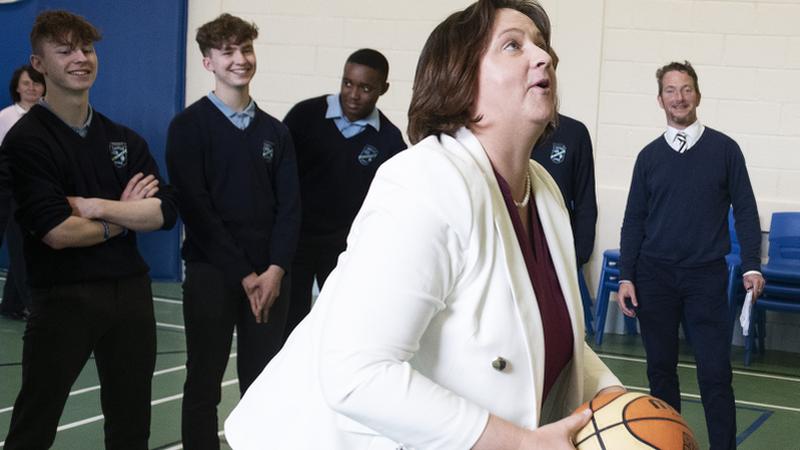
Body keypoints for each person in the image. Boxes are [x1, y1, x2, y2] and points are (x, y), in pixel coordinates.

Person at [224, 1, 622, 449]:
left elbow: (544, 329)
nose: (544, 56)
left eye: (543, 45)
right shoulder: (425, 180)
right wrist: (520, 443)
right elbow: (358, 375)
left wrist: (611, 398)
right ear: (461, 80)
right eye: (514, 45)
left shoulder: (542, 189)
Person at [1, 10, 178, 449]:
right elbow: (56, 231)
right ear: (38, 64)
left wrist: (97, 208)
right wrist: (124, 215)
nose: (81, 58)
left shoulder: (124, 139)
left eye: (87, 48)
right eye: (64, 51)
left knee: (131, 422)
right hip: (62, 297)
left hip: (130, 295)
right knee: (35, 422)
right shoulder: (26, 142)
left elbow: (164, 212)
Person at [165, 13, 300, 450]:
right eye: (228, 52)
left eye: (246, 50)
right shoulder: (188, 127)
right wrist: (244, 274)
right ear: (208, 62)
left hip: (270, 280)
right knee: (203, 378)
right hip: (212, 274)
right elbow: (197, 210)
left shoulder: (275, 133)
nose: (240, 60)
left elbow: (290, 208)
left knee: (262, 383)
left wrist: (275, 270)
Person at [618, 60, 763, 450]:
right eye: (670, 90)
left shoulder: (725, 150)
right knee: (660, 372)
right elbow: (634, 219)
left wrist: (751, 264)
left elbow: (746, 210)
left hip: (706, 278)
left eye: (685, 89)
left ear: (697, 94)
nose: (678, 98)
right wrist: (627, 275)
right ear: (660, 99)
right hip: (654, 278)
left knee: (715, 374)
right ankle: (670, 443)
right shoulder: (648, 157)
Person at [282, 48, 405, 339]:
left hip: (344, 249)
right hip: (296, 242)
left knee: (340, 327)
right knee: (288, 326)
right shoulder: (304, 116)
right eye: (347, 83)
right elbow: (278, 179)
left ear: (383, 89)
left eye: (365, 87)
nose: (353, 94)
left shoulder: (389, 140)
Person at [0, 65, 45, 321]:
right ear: (17, 87)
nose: (31, 88)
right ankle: (33, 305)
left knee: (30, 247)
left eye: (37, 84)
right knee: (21, 250)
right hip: (13, 193)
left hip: (40, 191)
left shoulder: (49, 116)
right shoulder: (5, 117)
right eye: (26, 83)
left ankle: (11, 305)